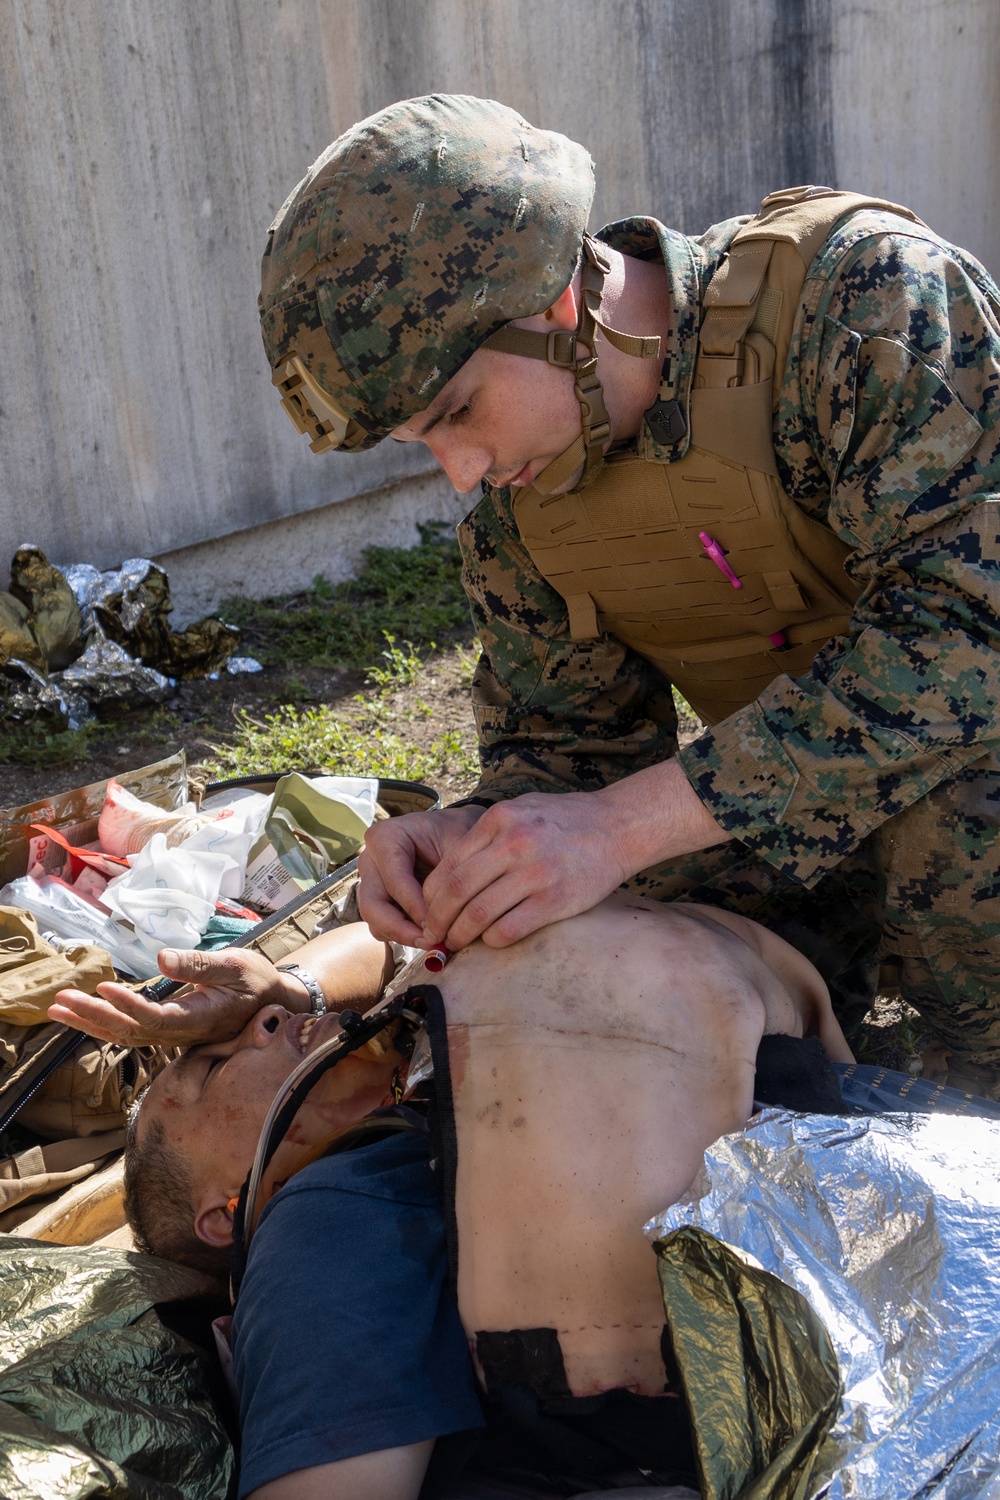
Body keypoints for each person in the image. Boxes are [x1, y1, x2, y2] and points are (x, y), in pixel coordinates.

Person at [258, 93, 1000, 1096]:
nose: (463, 471)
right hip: (831, 811)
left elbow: (969, 634)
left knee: (958, 806)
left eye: (459, 411)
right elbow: (570, 751)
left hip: (966, 779)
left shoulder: (861, 304)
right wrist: (478, 837)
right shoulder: (526, 506)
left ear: (556, 308)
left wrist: (621, 828)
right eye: (422, 442)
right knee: (574, 912)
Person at [52, 897, 852, 1498]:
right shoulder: (319, 1221)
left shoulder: (445, 1078)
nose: (263, 1021)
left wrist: (296, 986)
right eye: (213, 1070)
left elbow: (381, 937)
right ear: (227, 1213)